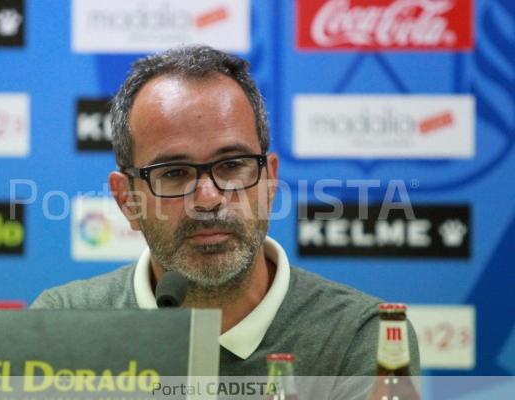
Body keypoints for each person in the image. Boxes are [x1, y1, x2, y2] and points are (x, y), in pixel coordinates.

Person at [31, 45, 420, 377]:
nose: (207, 198)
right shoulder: (61, 325)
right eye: (174, 173)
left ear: (269, 182)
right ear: (127, 200)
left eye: (232, 165)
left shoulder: (363, 336)